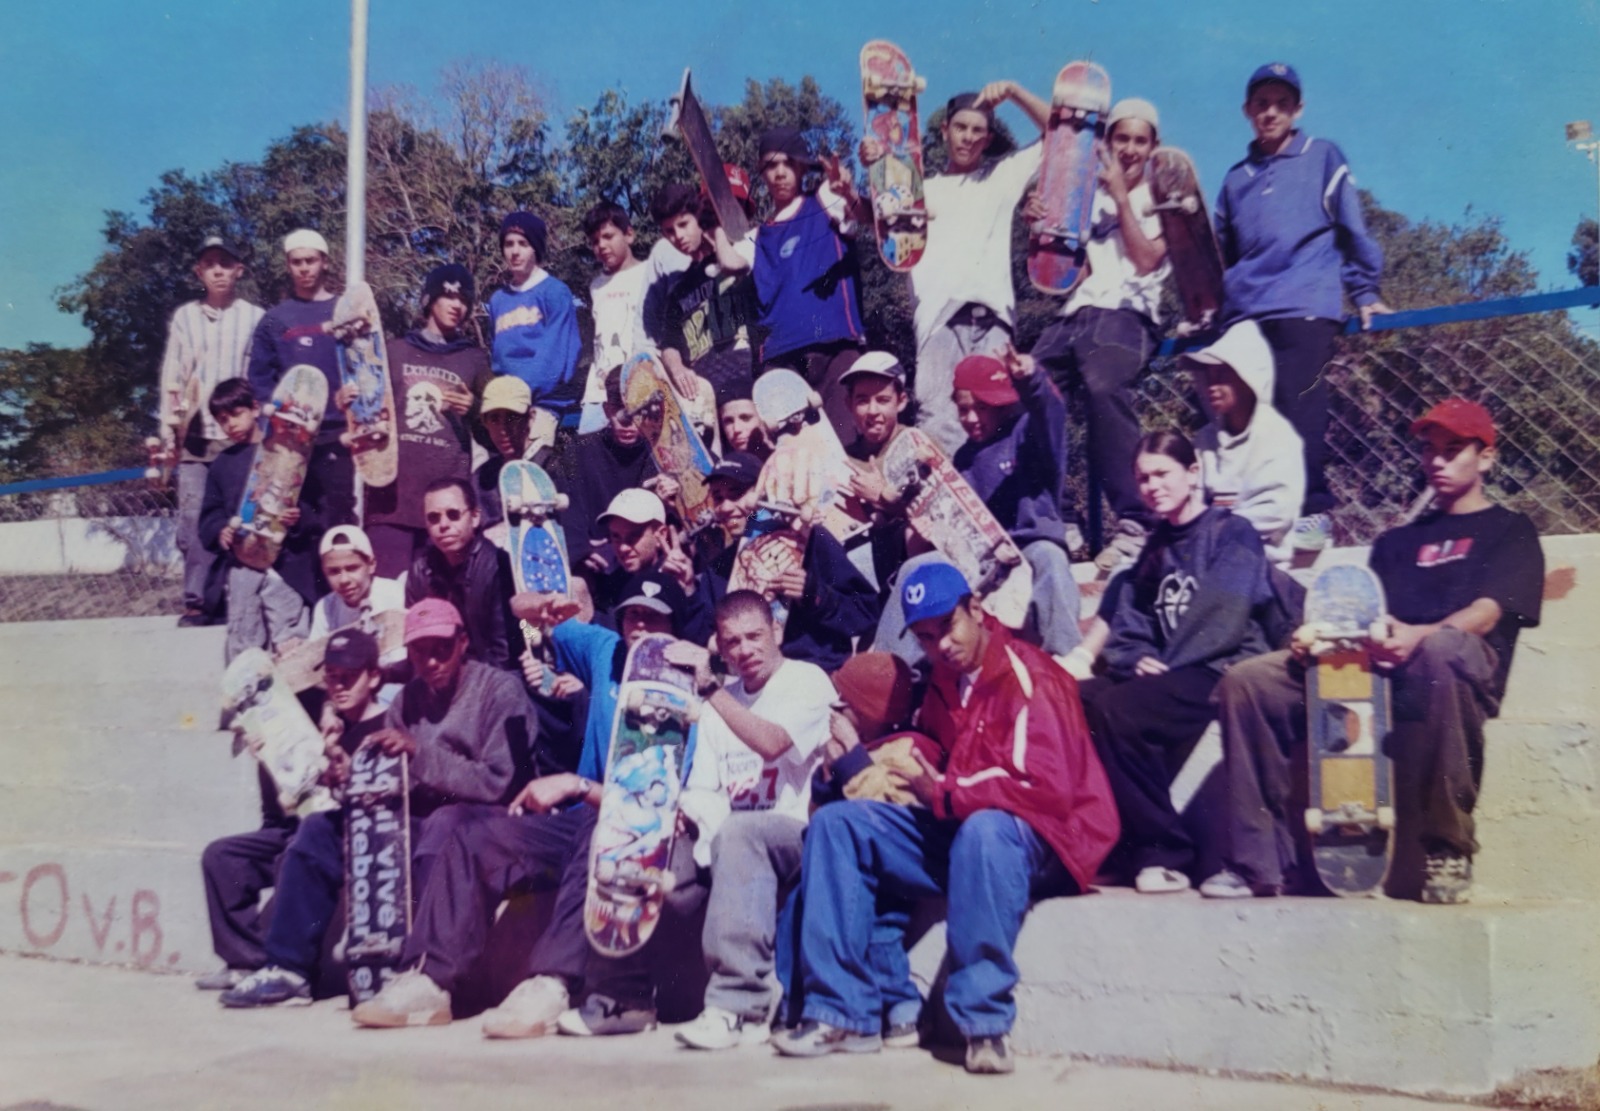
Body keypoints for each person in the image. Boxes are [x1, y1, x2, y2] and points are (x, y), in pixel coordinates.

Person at [773, 561, 1118, 1074]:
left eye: (948, 628)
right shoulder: (944, 680)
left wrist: (943, 789)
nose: (942, 646)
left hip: (1046, 836)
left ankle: (984, 1025)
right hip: (962, 821)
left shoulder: (1031, 675)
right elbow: (934, 750)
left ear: (975, 610)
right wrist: (871, 761)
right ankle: (841, 1013)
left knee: (984, 829)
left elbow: (1038, 786)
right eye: (927, 637)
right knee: (838, 824)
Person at [1207, 400, 1543, 903]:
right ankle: (1258, 861)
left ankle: (1447, 848)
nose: (1438, 462)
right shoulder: (1396, 540)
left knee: (1443, 649)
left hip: (1453, 670)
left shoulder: (1511, 530)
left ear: (1487, 458)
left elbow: (1488, 613)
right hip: (1376, 668)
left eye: (1454, 451)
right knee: (1249, 681)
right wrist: (1315, 637)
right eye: (1430, 451)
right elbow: (1364, 612)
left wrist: (1418, 635)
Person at [348, 570, 693, 1033]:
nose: (640, 629)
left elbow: (660, 808)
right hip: (572, 821)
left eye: (655, 620)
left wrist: (577, 785)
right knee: (470, 834)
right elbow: (532, 625)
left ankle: (550, 982)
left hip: (634, 833)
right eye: (632, 615)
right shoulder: (606, 653)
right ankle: (429, 981)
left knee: (600, 829)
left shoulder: (692, 693)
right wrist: (536, 618)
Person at [1078, 431, 1276, 895]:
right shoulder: (1155, 545)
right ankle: (1111, 842)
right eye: (1143, 478)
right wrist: (1138, 657)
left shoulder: (1232, 533)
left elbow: (1223, 618)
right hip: (1172, 670)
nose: (1151, 486)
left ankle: (1166, 853)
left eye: (1162, 473)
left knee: (1120, 710)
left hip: (1219, 669)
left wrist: (1161, 663)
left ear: (1193, 473)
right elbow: (1129, 619)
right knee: (1078, 699)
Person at [1214, 62, 1391, 553]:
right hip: (1246, 312)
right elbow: (1219, 254)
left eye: (1282, 104)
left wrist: (1365, 290)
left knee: (1300, 406)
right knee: (1242, 416)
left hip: (1304, 301)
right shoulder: (1233, 180)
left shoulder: (1323, 156)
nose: (1271, 112)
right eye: (1262, 104)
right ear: (1248, 111)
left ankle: (1312, 512)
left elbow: (1351, 228)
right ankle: (1251, 521)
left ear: (1297, 110)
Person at [658, 591, 835, 1049]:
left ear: (777, 631)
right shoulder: (723, 701)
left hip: (798, 832)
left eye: (755, 636)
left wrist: (712, 690)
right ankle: (619, 997)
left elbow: (774, 742)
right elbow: (705, 788)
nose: (745, 650)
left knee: (741, 833)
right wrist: (687, 816)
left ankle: (737, 1006)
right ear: (720, 646)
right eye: (732, 642)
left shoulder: (807, 680)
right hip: (733, 838)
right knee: (659, 859)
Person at [861, 83, 1048, 455]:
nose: (968, 138)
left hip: (993, 320)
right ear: (945, 131)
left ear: (988, 137)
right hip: (938, 321)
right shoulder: (920, 190)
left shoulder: (1002, 177)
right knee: (940, 421)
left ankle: (997, 509)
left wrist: (1013, 92)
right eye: (961, 128)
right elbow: (878, 220)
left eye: (978, 131)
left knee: (1000, 418)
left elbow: (1060, 134)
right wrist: (876, 165)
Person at [1029, 97, 1172, 569]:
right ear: (1108, 143)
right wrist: (1042, 225)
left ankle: (1137, 522)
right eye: (1121, 138)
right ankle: (1059, 516)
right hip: (1078, 313)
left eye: (1140, 140)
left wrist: (1124, 198)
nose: (1129, 149)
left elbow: (1147, 259)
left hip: (1128, 315)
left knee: (1104, 385)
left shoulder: (1165, 195)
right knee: (1026, 388)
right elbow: (1063, 136)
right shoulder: (1087, 195)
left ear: (1154, 147)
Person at [155, 235, 265, 627]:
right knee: (195, 520)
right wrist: (169, 435)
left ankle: (243, 598)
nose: (218, 270)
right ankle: (199, 601)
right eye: (209, 264)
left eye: (225, 263)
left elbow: (260, 374)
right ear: (199, 272)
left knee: (245, 517)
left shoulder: (254, 317)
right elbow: (174, 375)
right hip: (197, 437)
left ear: (239, 269)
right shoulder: (186, 317)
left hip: (239, 437)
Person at [736, 127, 871, 439]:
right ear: (762, 173)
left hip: (835, 348)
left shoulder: (824, 199)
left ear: (800, 167)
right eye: (770, 165)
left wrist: (849, 193)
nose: (779, 173)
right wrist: (711, 223)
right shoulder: (757, 236)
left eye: (787, 163)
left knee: (849, 446)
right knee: (793, 460)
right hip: (781, 361)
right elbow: (730, 262)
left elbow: (865, 216)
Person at [359, 263, 492, 578]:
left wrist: (474, 409)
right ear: (429, 299)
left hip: (447, 509)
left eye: (464, 300)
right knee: (388, 602)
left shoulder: (474, 359)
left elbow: (494, 433)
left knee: (439, 610)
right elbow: (365, 414)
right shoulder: (393, 352)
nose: (457, 305)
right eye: (448, 296)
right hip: (391, 503)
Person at [949, 349, 1083, 657]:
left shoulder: (1025, 434)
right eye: (963, 410)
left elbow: (1051, 414)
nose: (971, 419)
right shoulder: (963, 459)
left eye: (981, 408)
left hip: (1031, 544)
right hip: (986, 558)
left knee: (1051, 558)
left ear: (1000, 404)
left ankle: (1067, 657)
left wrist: (1032, 380)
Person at [196, 378, 316, 663]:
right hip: (243, 565)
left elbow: (310, 504)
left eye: (236, 414)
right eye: (222, 420)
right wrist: (220, 531)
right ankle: (246, 700)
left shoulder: (286, 450)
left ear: (255, 408)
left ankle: (299, 701)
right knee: (244, 643)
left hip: (285, 565)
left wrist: (297, 519)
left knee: (291, 644)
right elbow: (209, 515)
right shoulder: (222, 463)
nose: (230, 425)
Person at [245, 228, 356, 531]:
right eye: (297, 262)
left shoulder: (345, 311)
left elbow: (364, 365)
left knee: (338, 517)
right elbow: (260, 377)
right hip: (290, 436)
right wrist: (277, 416)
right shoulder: (275, 319)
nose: (304, 268)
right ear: (288, 266)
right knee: (289, 521)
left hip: (336, 433)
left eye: (310, 260)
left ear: (325, 262)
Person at [1186, 319, 1305, 569]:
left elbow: (1275, 514)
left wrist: (1212, 530)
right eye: (1208, 376)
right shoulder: (1206, 439)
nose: (1212, 386)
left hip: (1260, 565)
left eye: (1223, 375)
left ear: (1248, 377)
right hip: (1208, 559)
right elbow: (1194, 499)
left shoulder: (1278, 437)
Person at [652, 181, 760, 406]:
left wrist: (716, 231)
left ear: (699, 219)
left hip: (749, 384)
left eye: (684, 224)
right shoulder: (677, 292)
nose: (678, 236)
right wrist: (677, 368)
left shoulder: (742, 256)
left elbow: (736, 264)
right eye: (669, 231)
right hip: (706, 396)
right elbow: (669, 345)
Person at [405, 477, 519, 671]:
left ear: (475, 517)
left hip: (494, 677)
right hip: (437, 675)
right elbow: (416, 641)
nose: (443, 525)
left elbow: (506, 651)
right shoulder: (419, 572)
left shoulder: (499, 566)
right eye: (433, 518)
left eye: (453, 514)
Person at [488, 211, 582, 422]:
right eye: (509, 244)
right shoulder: (498, 300)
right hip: (504, 404)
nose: (515, 251)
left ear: (536, 249)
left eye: (523, 243)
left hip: (543, 404)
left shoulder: (554, 292)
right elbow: (497, 356)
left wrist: (520, 397)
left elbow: (556, 357)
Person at [554, 366, 657, 549]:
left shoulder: (660, 453)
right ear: (607, 410)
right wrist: (581, 552)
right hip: (595, 557)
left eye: (636, 410)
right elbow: (568, 509)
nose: (627, 421)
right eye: (619, 409)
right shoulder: (579, 449)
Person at [582, 202, 648, 434]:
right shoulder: (595, 286)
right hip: (598, 392)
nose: (601, 246)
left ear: (629, 234)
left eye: (608, 236)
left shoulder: (649, 273)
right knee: (590, 452)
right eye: (595, 241)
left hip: (639, 384)